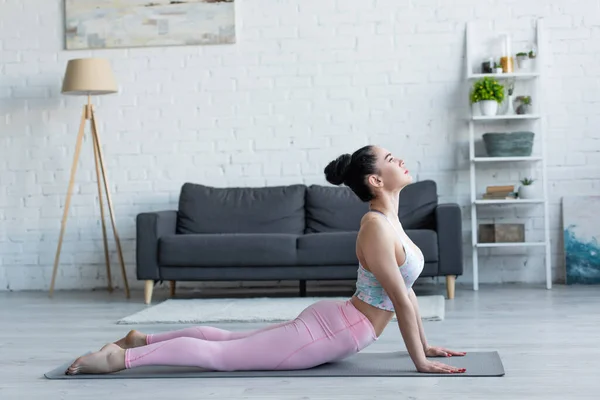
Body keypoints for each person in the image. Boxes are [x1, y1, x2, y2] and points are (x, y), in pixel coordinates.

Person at [66, 145, 466, 376]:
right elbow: (397, 298)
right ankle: (121, 358)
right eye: (391, 158)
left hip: (339, 322)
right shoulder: (375, 227)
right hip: (338, 330)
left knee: (230, 339)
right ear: (376, 181)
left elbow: (407, 294)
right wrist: (420, 363)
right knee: (224, 356)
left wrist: (426, 347)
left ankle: (142, 338)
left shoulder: (391, 221)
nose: (401, 161)